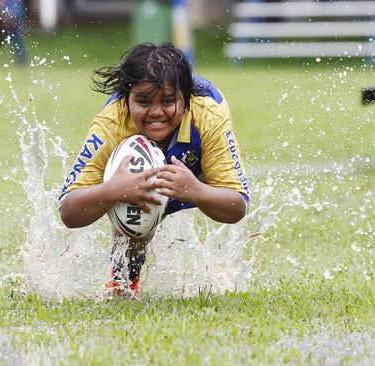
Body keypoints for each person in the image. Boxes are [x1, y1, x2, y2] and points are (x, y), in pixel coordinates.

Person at [59, 42, 249, 298]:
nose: (157, 112)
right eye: (143, 101)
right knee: (133, 225)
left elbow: (237, 206)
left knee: (201, 195)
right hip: (128, 183)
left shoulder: (208, 116)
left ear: (187, 100)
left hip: (194, 172)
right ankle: (122, 283)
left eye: (169, 101)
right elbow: (69, 211)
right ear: (126, 101)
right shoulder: (112, 123)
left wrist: (196, 191)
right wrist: (114, 190)